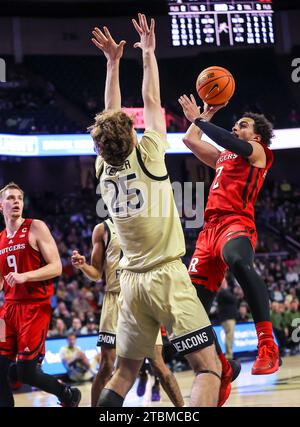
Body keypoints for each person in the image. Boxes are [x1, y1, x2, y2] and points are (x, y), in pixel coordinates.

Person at [89, 14, 227, 408]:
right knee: (208, 368)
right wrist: (147, 54)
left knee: (125, 372)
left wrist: (112, 64)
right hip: (165, 275)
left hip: (129, 283)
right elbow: (151, 100)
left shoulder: (101, 168)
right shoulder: (149, 157)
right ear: (133, 137)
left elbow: (110, 115)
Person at [178, 93, 280, 375]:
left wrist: (198, 119)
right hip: (207, 232)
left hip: (236, 222)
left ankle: (268, 347)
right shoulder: (225, 156)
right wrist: (206, 115)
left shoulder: (259, 153)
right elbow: (190, 140)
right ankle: (223, 366)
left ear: (257, 136)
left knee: (237, 259)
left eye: (243, 124)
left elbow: (230, 141)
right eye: (235, 124)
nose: (237, 127)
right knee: (190, 310)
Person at [71, 218, 184, 407]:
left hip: (140, 296)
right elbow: (97, 274)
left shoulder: (146, 221)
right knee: (107, 365)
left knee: (158, 363)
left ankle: (184, 409)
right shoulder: (103, 229)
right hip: (114, 299)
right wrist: (83, 265)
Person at [0, 182, 81, 407]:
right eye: (10, 198)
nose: (16, 201)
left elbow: (56, 266)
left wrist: (25, 276)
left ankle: (67, 394)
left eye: (19, 198)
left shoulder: (35, 227)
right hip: (6, 311)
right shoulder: (0, 238)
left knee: (25, 372)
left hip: (34, 307)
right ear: (1, 205)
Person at [216, 278, 238, 360]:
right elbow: (234, 299)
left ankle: (230, 354)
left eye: (225, 281)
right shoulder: (222, 292)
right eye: (223, 282)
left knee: (230, 336)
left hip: (229, 318)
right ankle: (229, 355)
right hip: (227, 318)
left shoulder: (225, 292)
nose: (225, 283)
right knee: (229, 336)